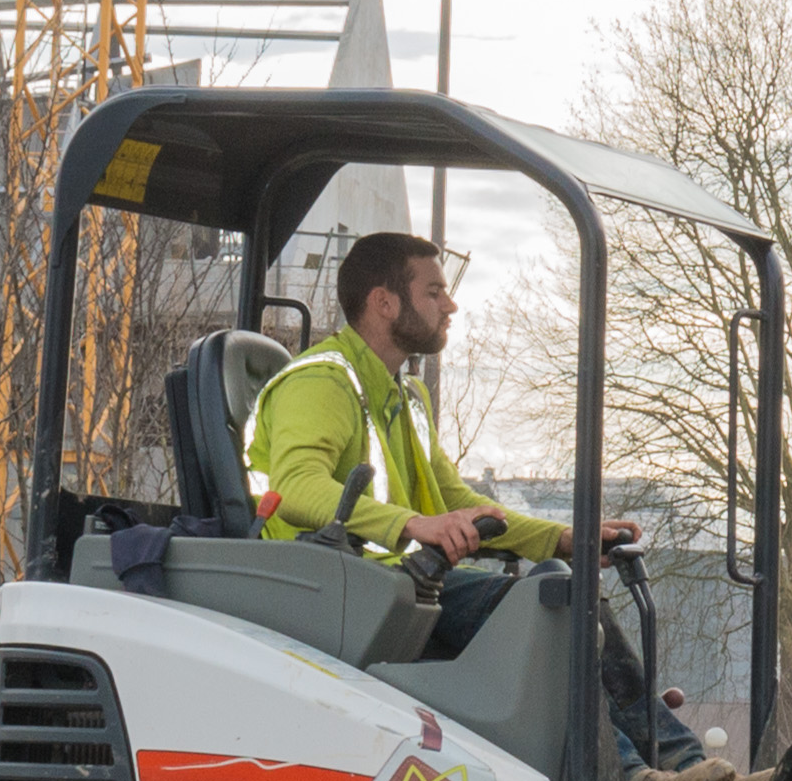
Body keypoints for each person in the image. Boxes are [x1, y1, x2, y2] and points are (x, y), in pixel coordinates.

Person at [245, 231, 633, 664]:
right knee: (556, 610)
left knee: (559, 585)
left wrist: (562, 539)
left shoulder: (406, 395)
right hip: (343, 593)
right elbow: (295, 488)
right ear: (384, 303)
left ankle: (640, 733)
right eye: (434, 293)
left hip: (399, 586)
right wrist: (415, 526)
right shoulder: (320, 382)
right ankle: (655, 735)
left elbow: (454, 500)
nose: (450, 306)